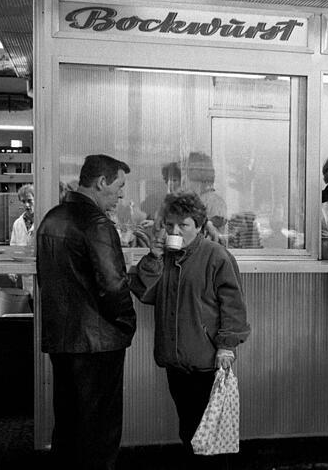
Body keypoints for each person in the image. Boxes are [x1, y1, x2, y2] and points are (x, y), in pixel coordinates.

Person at [131, 192, 250, 462]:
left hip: (208, 361)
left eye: (183, 225)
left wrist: (226, 346)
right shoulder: (166, 258)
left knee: (208, 435)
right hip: (175, 361)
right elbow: (145, 293)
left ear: (199, 226)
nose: (175, 231)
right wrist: (153, 257)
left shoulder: (217, 257)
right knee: (188, 430)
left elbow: (233, 306)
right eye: (170, 224)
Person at [36, 154, 137, 470]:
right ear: (102, 181)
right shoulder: (97, 223)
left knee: (68, 425)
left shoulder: (51, 219)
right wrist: (126, 323)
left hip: (62, 339)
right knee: (99, 433)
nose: (121, 195)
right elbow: (114, 285)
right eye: (119, 186)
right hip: (99, 343)